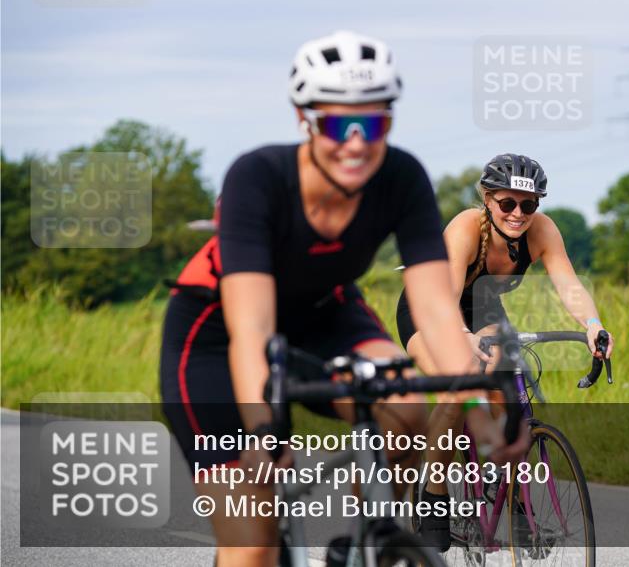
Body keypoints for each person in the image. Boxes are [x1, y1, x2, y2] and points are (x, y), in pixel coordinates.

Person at [160, 31, 524, 567]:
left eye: (372, 122)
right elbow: (252, 330)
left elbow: (435, 310)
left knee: (407, 407)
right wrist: (264, 428)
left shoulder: (400, 177)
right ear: (304, 120)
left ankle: (367, 542)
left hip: (325, 311)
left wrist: (475, 403)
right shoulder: (258, 177)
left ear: (390, 121)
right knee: (250, 540)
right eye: (337, 123)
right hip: (216, 338)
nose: (356, 142)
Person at [395, 153, 615, 550]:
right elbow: (443, 301)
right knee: (458, 387)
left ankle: (509, 494)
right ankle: (434, 494)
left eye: (528, 204)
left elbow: (569, 286)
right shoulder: (466, 228)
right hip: (429, 306)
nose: (518, 213)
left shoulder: (542, 230)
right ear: (487, 198)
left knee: (507, 387)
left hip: (481, 306)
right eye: (507, 203)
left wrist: (593, 325)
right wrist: (460, 336)